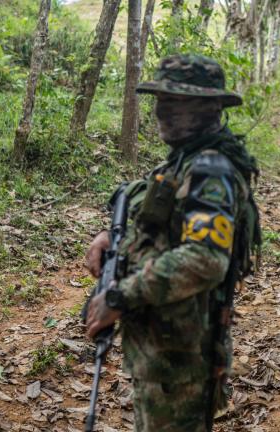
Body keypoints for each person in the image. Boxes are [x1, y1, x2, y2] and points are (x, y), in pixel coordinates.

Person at [83, 54, 261, 431]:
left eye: (176, 102)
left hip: (183, 358)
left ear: (210, 107)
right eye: (160, 100)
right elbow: (164, 229)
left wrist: (120, 297)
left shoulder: (211, 170)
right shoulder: (182, 163)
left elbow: (204, 259)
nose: (162, 111)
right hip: (164, 348)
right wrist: (111, 237)